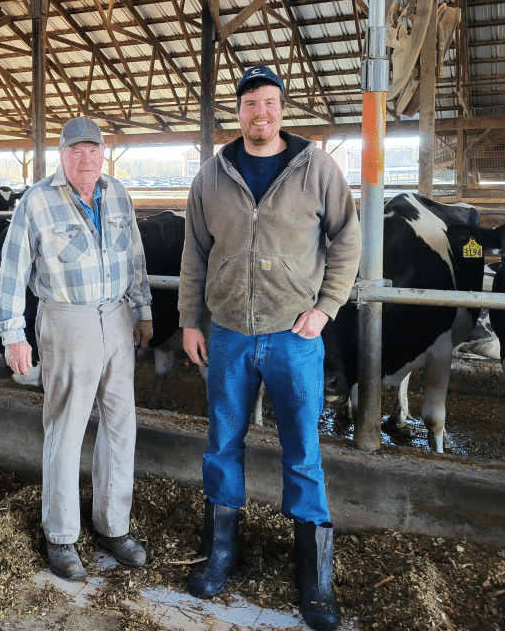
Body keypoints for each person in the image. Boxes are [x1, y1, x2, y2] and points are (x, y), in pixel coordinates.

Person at [177, 65, 361, 631]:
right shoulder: (213, 175)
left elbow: (347, 238)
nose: (262, 113)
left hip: (293, 335)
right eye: (252, 104)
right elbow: (193, 255)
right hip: (230, 332)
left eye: (271, 103)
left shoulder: (317, 167)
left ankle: (315, 577)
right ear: (239, 112)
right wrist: (190, 321)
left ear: (284, 109)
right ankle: (221, 552)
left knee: (303, 450)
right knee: (222, 444)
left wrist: (325, 308)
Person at [0, 115, 155, 582]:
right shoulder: (37, 201)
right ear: (61, 155)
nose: (85, 161)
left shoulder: (118, 193)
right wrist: (13, 333)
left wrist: (142, 310)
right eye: (75, 152)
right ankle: (61, 536)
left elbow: (136, 257)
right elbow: (13, 271)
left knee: (121, 424)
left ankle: (113, 526)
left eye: (93, 151)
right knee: (66, 427)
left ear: (104, 153)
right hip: (67, 319)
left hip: (117, 316)